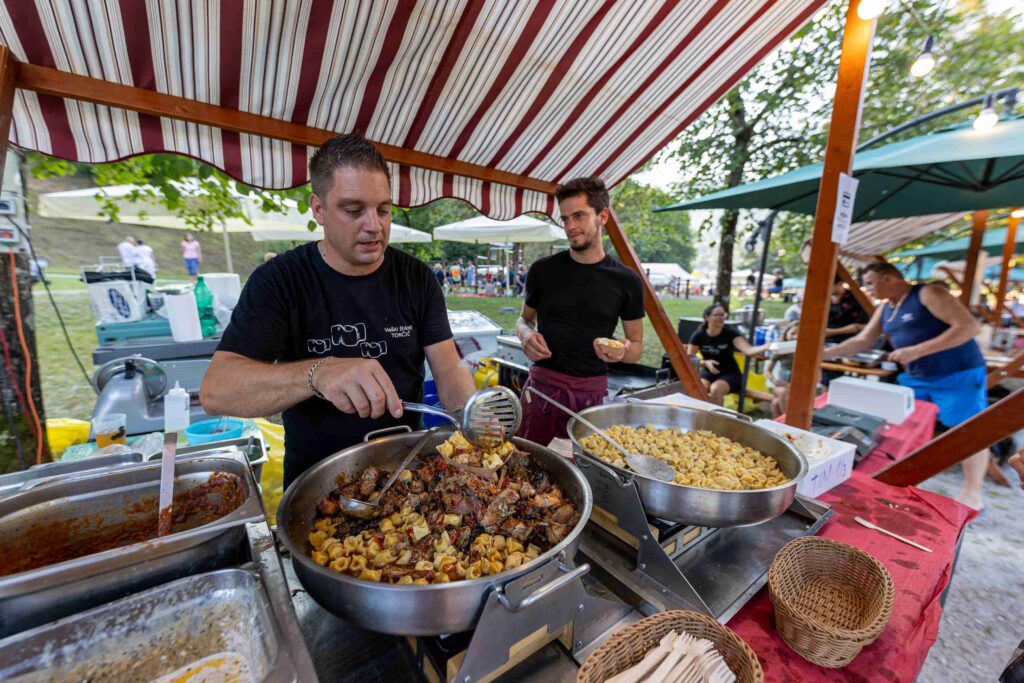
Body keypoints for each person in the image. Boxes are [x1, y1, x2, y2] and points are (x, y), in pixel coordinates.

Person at [200, 132, 476, 488]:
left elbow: (448, 366)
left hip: (407, 470)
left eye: (383, 209)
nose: (374, 226)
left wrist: (473, 421)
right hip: (317, 481)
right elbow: (216, 391)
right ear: (319, 209)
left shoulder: (416, 277)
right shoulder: (280, 280)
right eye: (353, 210)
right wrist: (317, 373)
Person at [822, 261, 990, 509]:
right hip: (917, 376)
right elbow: (863, 340)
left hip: (957, 374)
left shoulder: (928, 293)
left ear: (889, 278)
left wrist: (917, 350)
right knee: (907, 426)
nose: (868, 289)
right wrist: (825, 353)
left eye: (870, 283)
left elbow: (969, 326)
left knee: (968, 430)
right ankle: (905, 482)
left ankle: (972, 494)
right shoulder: (885, 308)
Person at [516, 176, 644, 446]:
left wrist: (622, 351)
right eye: (565, 219)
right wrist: (526, 336)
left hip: (591, 394)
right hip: (542, 391)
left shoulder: (627, 281)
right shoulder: (543, 270)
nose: (570, 226)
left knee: (583, 464)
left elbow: (636, 348)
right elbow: (524, 320)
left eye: (579, 216)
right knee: (527, 462)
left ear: (602, 216)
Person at [686, 304, 768, 405]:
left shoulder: (730, 333)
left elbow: (748, 350)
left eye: (723, 315)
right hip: (709, 372)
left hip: (731, 373)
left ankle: (717, 414)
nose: (721, 318)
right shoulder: (698, 335)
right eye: (717, 315)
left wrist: (767, 346)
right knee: (699, 389)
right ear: (707, 318)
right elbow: (689, 359)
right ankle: (701, 412)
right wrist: (705, 363)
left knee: (716, 389)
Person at [766, 323, 800, 418]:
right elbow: (768, 371)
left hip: (798, 386)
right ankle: (787, 420)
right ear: (786, 333)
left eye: (799, 334)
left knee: (775, 403)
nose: (795, 337)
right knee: (782, 392)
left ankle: (784, 421)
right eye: (792, 333)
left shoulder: (806, 351)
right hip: (782, 384)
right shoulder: (781, 349)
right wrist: (774, 380)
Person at [826, 275, 869, 342]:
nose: (825, 288)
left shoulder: (856, 299)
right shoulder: (824, 300)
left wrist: (832, 332)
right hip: (825, 341)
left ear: (839, 283)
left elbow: (863, 325)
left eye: (828, 285)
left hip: (848, 341)